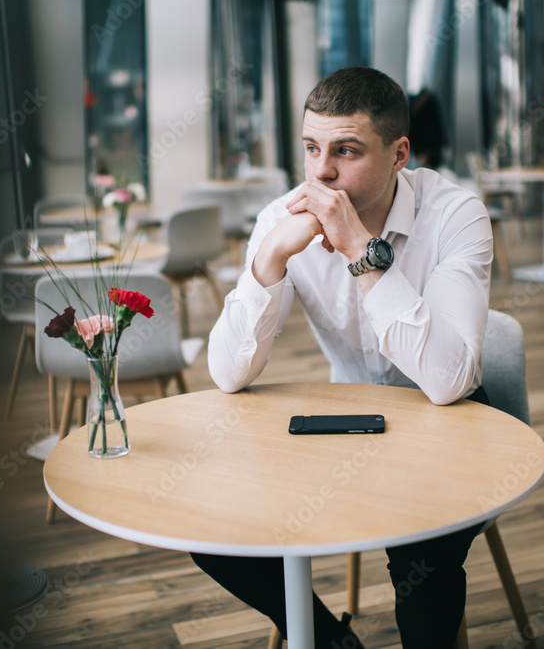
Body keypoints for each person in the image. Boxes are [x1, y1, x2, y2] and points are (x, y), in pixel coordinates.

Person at [195, 66, 493, 648]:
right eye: (311, 148)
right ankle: (331, 642)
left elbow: (449, 380)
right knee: (208, 522)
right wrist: (268, 262)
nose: (321, 171)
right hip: (352, 425)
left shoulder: (456, 215)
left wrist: (361, 250)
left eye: (346, 151)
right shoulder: (281, 222)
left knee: (419, 552)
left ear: (400, 153)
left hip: (457, 427)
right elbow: (227, 374)